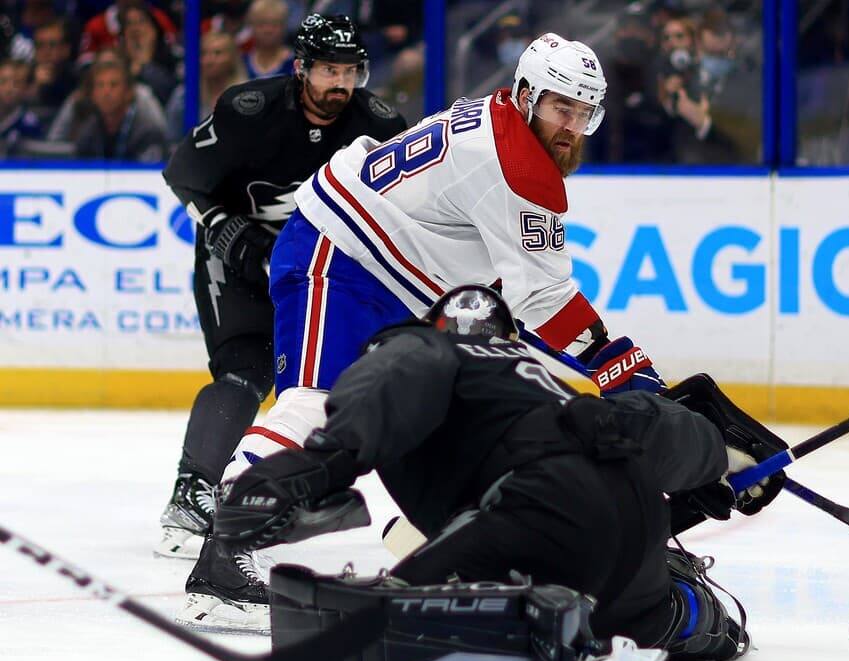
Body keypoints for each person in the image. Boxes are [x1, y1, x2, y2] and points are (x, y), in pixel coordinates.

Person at [204, 286, 781, 661]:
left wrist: (322, 464)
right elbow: (644, 423)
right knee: (640, 612)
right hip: (633, 515)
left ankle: (531, 611)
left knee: (399, 603)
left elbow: (393, 385)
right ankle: (697, 616)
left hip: (533, 506)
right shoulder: (540, 384)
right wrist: (721, 458)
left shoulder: (419, 347)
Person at [212, 32, 666, 505]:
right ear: (526, 96)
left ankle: (459, 531)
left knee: (449, 412)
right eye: (561, 108)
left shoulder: (499, 121)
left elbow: (511, 291)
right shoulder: (517, 164)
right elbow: (542, 296)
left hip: (391, 271)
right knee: (314, 405)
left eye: (584, 112)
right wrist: (613, 361)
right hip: (337, 254)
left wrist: (605, 361)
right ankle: (233, 520)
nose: (571, 126)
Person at [155, 14, 408, 561]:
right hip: (240, 259)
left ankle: (280, 495)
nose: (340, 83)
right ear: (300, 69)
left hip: (320, 269)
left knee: (321, 388)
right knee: (245, 369)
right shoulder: (249, 110)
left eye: (350, 72)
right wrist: (225, 229)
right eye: (329, 70)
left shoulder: (381, 127)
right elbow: (183, 175)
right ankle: (193, 492)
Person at [61, 57, 168, 161]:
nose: (106, 92)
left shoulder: (147, 133)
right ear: (92, 94)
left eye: (114, 85)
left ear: (128, 92)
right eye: (100, 85)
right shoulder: (87, 132)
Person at [164, 29, 247, 141]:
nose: (209, 60)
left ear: (232, 58)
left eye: (218, 53)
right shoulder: (183, 96)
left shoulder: (247, 96)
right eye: (204, 53)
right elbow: (172, 140)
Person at [0, 58, 42, 156]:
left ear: (26, 88)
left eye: (16, 83)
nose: (9, 89)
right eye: (3, 81)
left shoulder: (29, 125)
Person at [242, 0, 292, 81]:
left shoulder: (296, 64)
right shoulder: (241, 63)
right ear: (251, 26)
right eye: (261, 23)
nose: (268, 30)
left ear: (284, 26)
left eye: (275, 24)